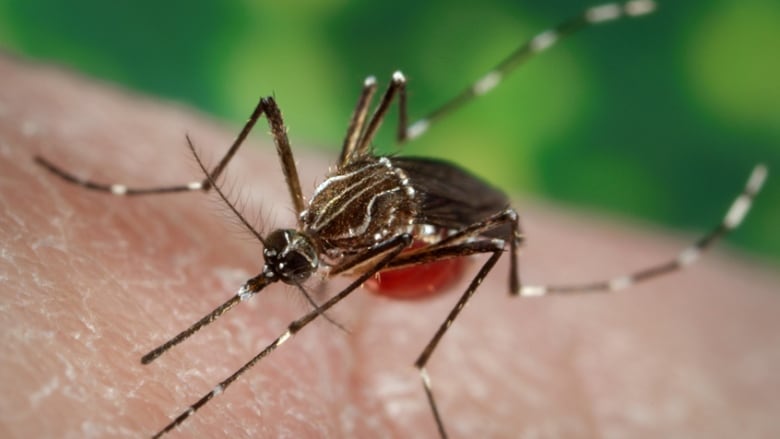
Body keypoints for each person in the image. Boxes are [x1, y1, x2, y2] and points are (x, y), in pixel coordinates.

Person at [2, 54, 779, 438]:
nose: (282, 259)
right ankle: (187, 194)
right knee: (337, 99)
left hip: (426, 222)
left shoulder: (342, 247)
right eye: (286, 250)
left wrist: (266, 342)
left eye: (290, 257)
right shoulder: (315, 217)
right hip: (385, 188)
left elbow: (345, 283)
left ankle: (430, 361)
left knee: (498, 228)